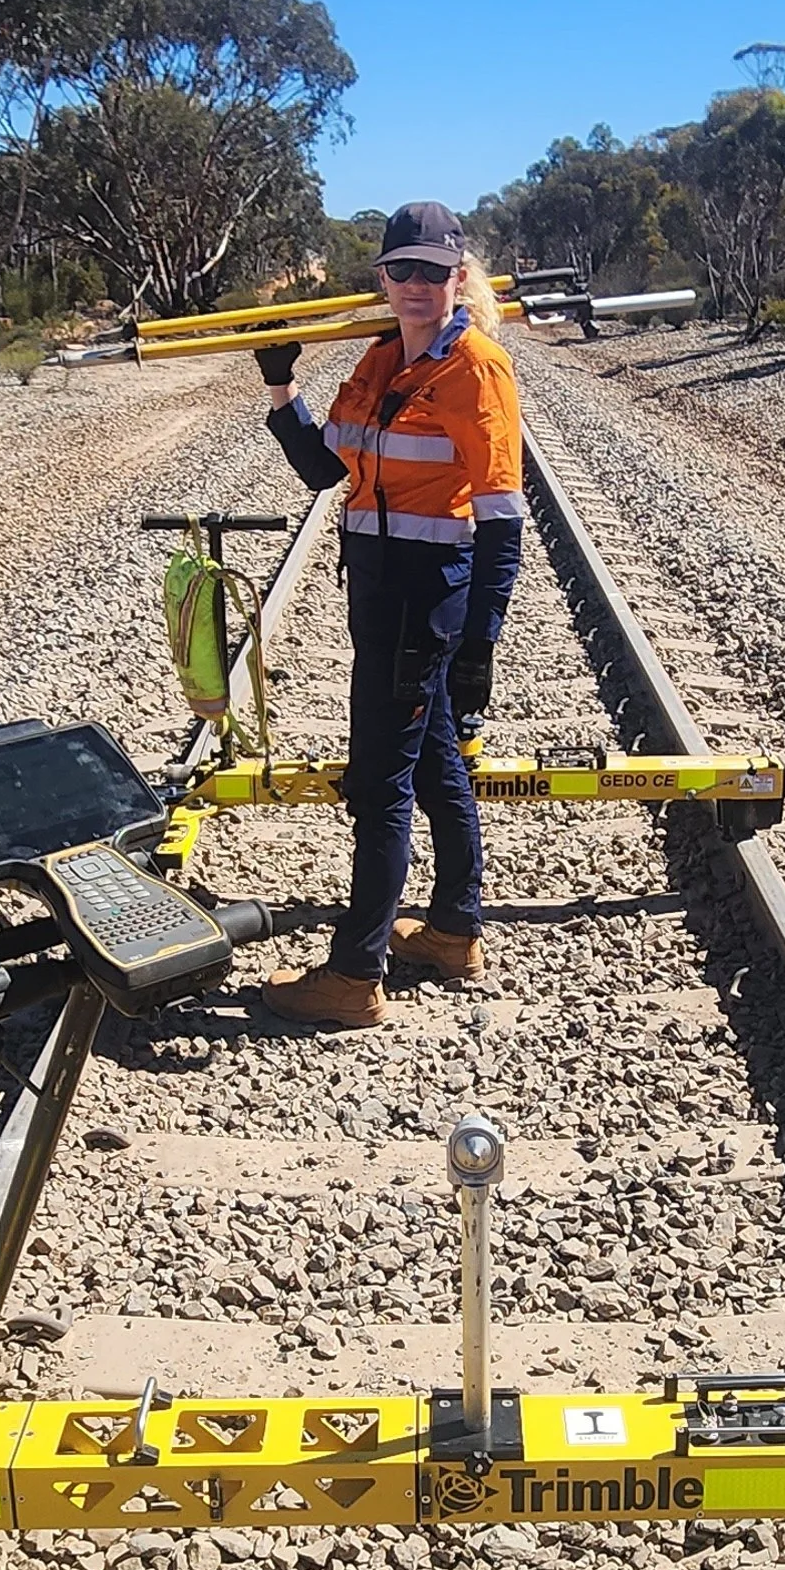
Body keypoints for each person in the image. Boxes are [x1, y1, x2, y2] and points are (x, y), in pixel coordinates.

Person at [250, 200, 523, 1029]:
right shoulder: (375, 362)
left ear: (456, 277)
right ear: (382, 277)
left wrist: (480, 641)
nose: (415, 285)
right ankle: (452, 930)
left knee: (381, 781)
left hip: (422, 594)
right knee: (436, 764)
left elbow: (505, 516)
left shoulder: (474, 368)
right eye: (401, 269)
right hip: (378, 588)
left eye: (433, 272)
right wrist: (279, 383)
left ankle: (355, 972)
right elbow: (322, 472)